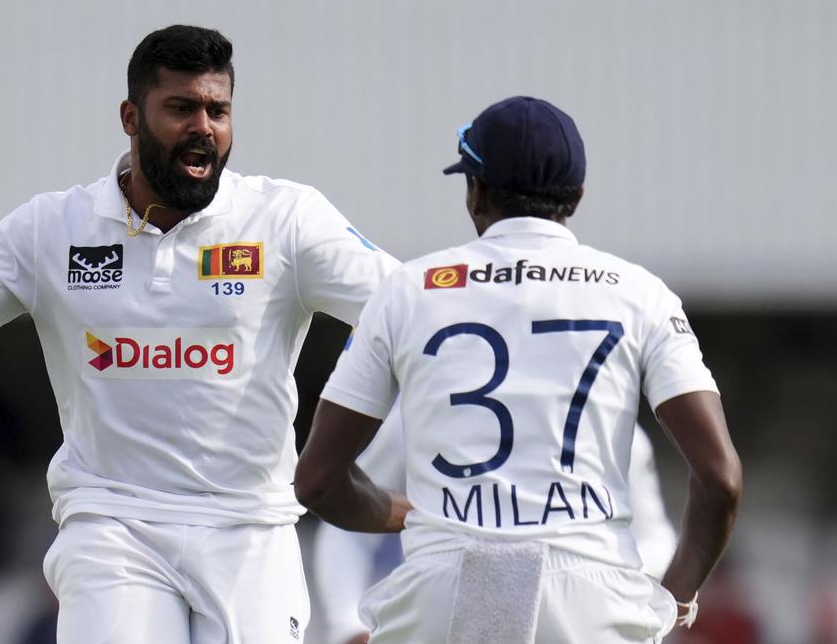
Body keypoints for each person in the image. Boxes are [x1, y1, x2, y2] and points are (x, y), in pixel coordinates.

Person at [0, 25, 398, 644]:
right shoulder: (52, 226)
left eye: (218, 110)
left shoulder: (286, 219)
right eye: (181, 108)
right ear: (130, 117)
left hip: (251, 525)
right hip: (112, 521)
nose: (203, 127)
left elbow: (406, 309)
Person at [296, 96, 742, 643]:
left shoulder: (406, 290)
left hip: (443, 591)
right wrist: (678, 598)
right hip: (589, 600)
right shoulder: (642, 295)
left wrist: (406, 514)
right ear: (578, 194)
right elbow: (721, 478)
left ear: (475, 191)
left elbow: (318, 482)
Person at [310, 410, 679, 644]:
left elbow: (656, 538)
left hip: (572, 624)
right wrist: (348, 626)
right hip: (430, 618)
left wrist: (601, 585)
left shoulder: (613, 424)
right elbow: (344, 524)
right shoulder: (415, 413)